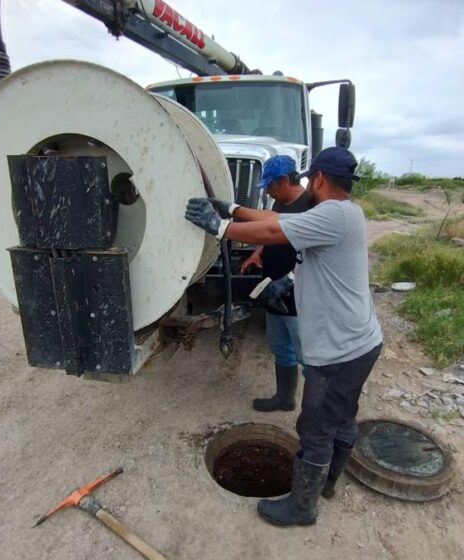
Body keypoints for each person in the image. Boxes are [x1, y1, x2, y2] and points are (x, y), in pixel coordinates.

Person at [185, 147, 383, 527]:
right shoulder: (346, 213)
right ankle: (327, 483)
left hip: (340, 351)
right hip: (361, 343)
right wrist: (231, 209)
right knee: (342, 416)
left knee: (315, 428)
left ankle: (302, 507)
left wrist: (220, 227)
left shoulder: (332, 215)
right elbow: (277, 217)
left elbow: (275, 231)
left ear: (318, 178)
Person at [215, 155, 310, 413]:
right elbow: (270, 232)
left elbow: (317, 255)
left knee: (309, 357)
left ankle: (319, 411)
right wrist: (259, 253)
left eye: (269, 185)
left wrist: (290, 279)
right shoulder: (279, 202)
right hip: (272, 290)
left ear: (284, 180)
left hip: (299, 298)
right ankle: (285, 398)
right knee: (281, 348)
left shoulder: (310, 207)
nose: (267, 191)